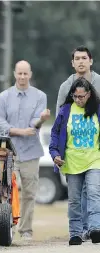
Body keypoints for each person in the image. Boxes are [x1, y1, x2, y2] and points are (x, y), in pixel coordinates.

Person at [0, 60, 51, 240]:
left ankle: (26, 230)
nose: (23, 77)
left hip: (31, 153)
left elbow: (35, 123)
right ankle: (7, 224)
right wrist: (18, 131)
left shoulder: (40, 96)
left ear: (30, 74)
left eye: (26, 73)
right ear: (14, 74)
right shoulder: (4, 96)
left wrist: (41, 120)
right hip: (9, 153)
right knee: (7, 191)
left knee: (29, 192)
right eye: (20, 73)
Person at [56, 46, 100, 241]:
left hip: (94, 150)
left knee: (93, 191)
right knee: (77, 193)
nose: (81, 61)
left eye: (84, 58)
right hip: (73, 153)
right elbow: (61, 119)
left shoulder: (99, 82)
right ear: (72, 63)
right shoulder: (66, 86)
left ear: (90, 61)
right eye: (77, 58)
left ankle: (93, 227)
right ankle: (81, 229)